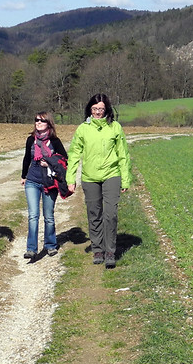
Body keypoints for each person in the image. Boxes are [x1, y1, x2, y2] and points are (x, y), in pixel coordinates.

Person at [66, 94, 132, 268]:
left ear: (107, 109)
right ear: (90, 109)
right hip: (90, 177)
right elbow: (73, 155)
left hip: (112, 175)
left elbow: (123, 155)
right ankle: (98, 249)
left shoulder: (115, 127)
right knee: (94, 214)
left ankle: (110, 251)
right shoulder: (83, 129)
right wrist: (70, 178)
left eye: (101, 109)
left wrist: (125, 179)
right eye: (94, 109)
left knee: (110, 214)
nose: (97, 112)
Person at [21, 111, 67, 259]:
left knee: (48, 216)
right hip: (32, 180)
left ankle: (50, 245)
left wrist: (49, 162)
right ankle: (31, 249)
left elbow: (64, 159)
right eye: (36, 120)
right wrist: (23, 176)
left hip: (49, 182)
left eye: (41, 121)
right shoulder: (31, 140)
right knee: (33, 215)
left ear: (48, 123)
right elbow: (27, 158)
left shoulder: (55, 141)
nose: (38, 123)